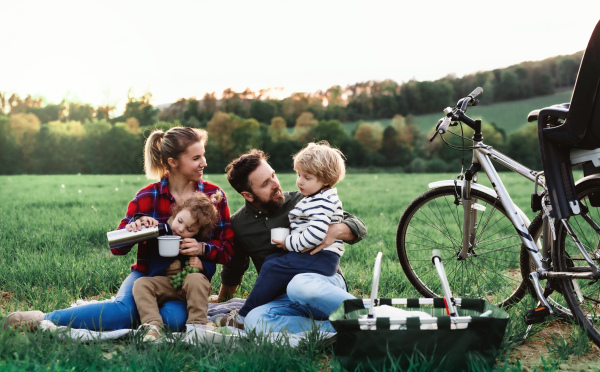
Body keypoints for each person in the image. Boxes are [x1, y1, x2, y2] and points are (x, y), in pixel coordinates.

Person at [5, 127, 234, 333]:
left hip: (184, 282)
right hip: (145, 274)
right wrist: (133, 229)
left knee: (173, 321)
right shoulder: (146, 196)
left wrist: (202, 248)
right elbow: (118, 249)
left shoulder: (213, 197)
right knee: (125, 310)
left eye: (203, 155)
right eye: (196, 158)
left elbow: (227, 250)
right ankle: (44, 319)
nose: (204, 162)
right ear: (173, 161)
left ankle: (138, 320)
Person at [217, 148, 367, 333]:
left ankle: (367, 313)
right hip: (283, 299)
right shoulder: (239, 224)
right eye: (265, 183)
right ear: (248, 195)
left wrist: (336, 231)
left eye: (273, 175)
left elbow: (358, 226)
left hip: (321, 282)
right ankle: (336, 328)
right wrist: (222, 299)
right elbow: (234, 268)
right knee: (255, 321)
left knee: (299, 285)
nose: (275, 184)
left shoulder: (304, 199)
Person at [133, 192, 221, 341]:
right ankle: (153, 326)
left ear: (198, 232)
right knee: (141, 284)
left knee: (197, 279)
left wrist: (201, 264)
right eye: (180, 221)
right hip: (164, 283)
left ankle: (197, 328)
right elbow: (142, 227)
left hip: (188, 287)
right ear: (176, 212)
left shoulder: (196, 242)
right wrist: (141, 220)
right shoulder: (160, 230)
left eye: (190, 229)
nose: (181, 229)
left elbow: (212, 266)